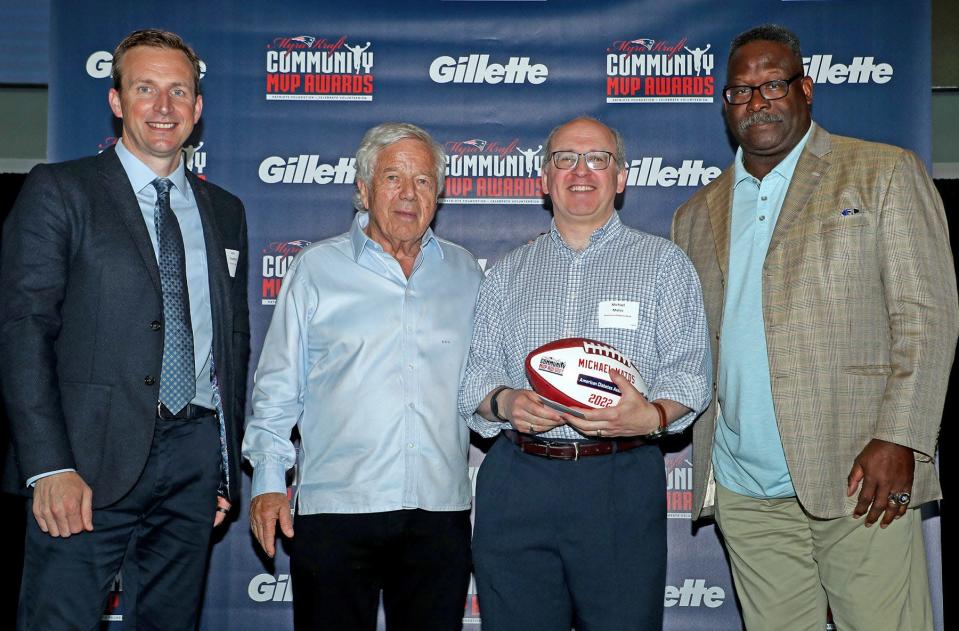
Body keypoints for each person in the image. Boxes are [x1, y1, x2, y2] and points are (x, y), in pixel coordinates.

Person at [671, 24, 957, 631]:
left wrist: (901, 437)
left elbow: (927, 316)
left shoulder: (881, 172)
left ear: (805, 88)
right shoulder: (697, 213)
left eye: (772, 84)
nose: (757, 102)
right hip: (747, 489)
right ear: (726, 105)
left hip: (860, 472)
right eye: (740, 92)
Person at [0, 29, 250, 630]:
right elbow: (24, 331)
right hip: (82, 462)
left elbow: (230, 343)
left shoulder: (226, 211)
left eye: (178, 91)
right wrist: (48, 466)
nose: (163, 108)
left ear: (198, 107)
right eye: (145, 89)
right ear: (117, 101)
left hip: (192, 459)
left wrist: (218, 463)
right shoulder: (61, 190)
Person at [458, 116, 711, 631]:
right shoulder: (507, 273)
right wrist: (505, 402)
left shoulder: (664, 264)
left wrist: (653, 414)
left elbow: (690, 370)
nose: (581, 171)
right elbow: (475, 375)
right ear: (543, 178)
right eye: (564, 159)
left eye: (598, 159)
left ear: (620, 178)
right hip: (518, 483)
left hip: (618, 482)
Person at [244, 122, 483, 630]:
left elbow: (483, 386)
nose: (408, 193)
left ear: (439, 194)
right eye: (393, 177)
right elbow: (277, 389)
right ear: (363, 189)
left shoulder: (467, 274)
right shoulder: (315, 269)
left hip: (438, 511)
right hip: (336, 509)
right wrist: (267, 481)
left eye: (423, 181)